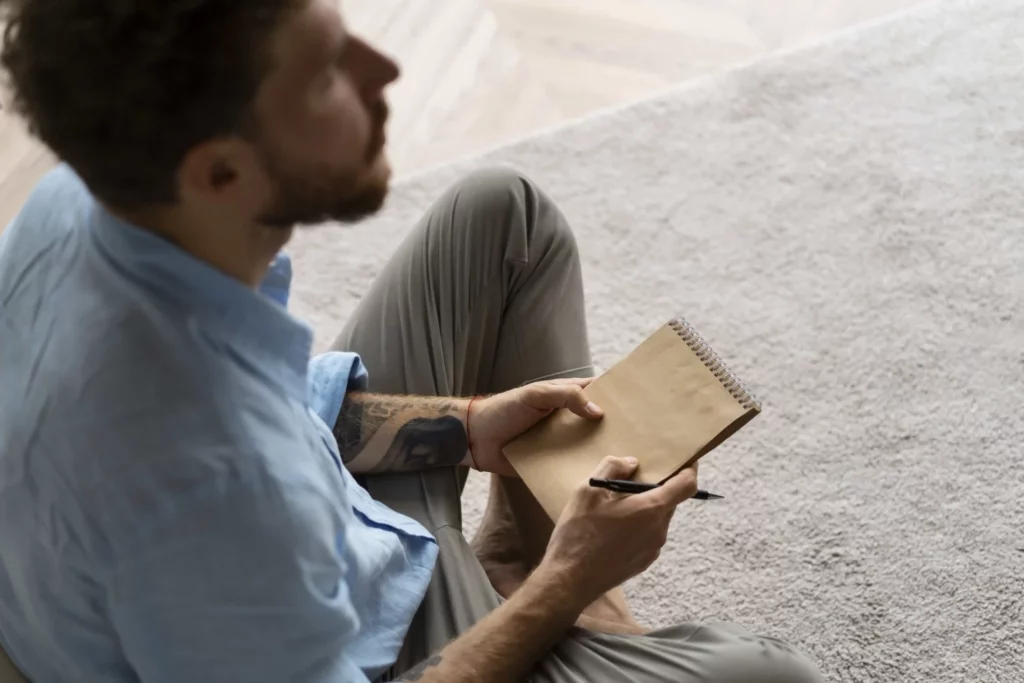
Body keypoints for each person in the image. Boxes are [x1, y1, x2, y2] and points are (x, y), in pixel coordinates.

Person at [0, 0, 823, 681]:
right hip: (356, 651)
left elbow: (289, 417)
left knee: (507, 215)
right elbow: (243, 467)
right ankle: (554, 603)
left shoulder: (77, 203)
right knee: (771, 674)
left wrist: (466, 425)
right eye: (327, 73)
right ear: (221, 172)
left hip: (341, 544)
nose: (385, 71)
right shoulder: (214, 485)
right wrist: (571, 580)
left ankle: (515, 568)